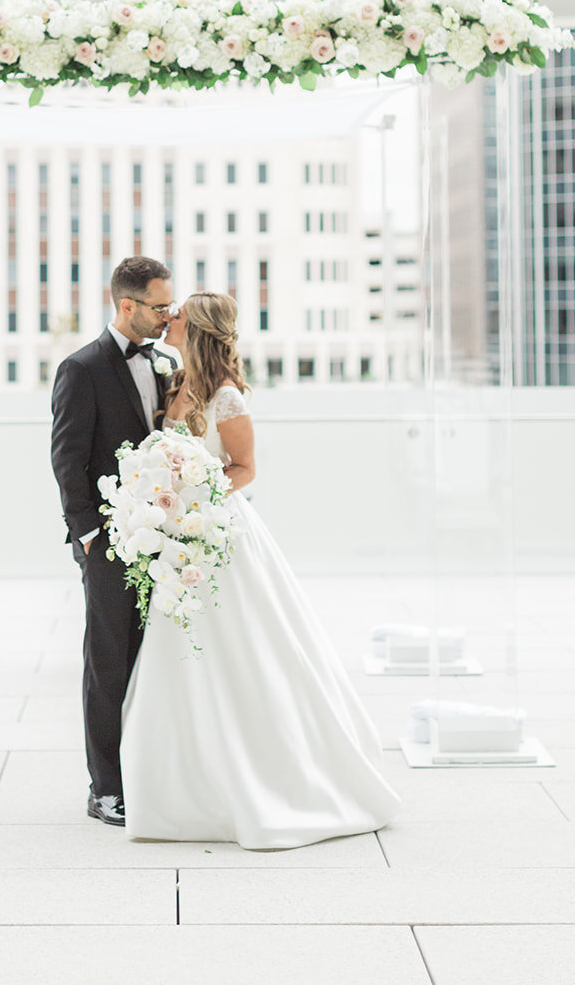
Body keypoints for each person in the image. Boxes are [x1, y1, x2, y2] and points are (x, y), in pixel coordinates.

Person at [119, 291, 403, 849]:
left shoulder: (226, 397)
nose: (167, 318)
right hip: (181, 538)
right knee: (179, 659)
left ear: (196, 328)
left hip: (218, 538)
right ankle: (180, 785)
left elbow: (244, 469)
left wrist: (194, 504)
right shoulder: (176, 385)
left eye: (177, 315)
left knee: (240, 653)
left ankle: (267, 777)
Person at [49, 255, 179, 827]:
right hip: (110, 543)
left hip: (170, 538)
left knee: (159, 657)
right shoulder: (81, 369)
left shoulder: (168, 362)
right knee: (108, 661)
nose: (169, 317)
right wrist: (90, 537)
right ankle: (105, 788)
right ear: (125, 305)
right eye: (159, 306)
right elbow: (67, 459)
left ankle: (155, 771)